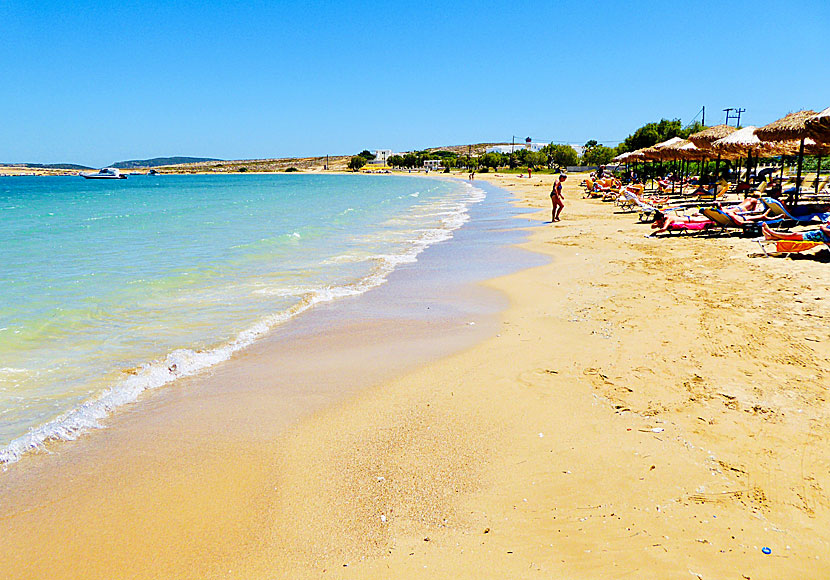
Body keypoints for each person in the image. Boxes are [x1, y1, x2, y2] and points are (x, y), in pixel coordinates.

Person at [762, 222, 830, 242]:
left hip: (821, 236)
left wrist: (822, 227)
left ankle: (772, 233)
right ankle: (772, 237)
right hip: (820, 234)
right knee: (795, 236)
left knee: (795, 235)